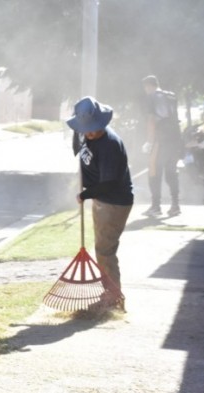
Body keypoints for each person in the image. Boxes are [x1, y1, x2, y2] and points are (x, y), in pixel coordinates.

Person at [66, 96, 134, 303]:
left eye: (95, 128)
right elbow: (80, 148)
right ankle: (109, 293)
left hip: (113, 202)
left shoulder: (110, 145)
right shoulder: (84, 132)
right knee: (102, 248)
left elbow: (110, 183)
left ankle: (113, 299)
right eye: (86, 128)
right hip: (102, 200)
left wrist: (84, 194)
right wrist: (78, 135)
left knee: (105, 250)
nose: (91, 132)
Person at [141, 75, 181, 217]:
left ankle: (156, 206)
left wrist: (149, 142)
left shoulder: (152, 97)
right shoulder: (171, 96)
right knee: (171, 172)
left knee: (154, 172)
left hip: (160, 140)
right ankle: (175, 205)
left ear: (148, 86)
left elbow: (152, 120)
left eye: (145, 87)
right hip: (175, 140)